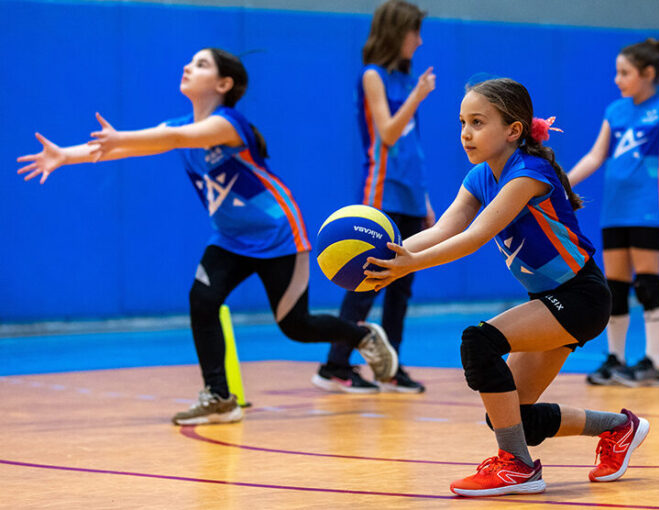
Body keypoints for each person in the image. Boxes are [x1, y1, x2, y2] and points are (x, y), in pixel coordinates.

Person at [16, 48, 398, 425]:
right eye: (189, 61)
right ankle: (218, 397)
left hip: (279, 234)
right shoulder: (181, 127)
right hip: (230, 238)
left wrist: (123, 137)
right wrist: (65, 155)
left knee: (295, 326)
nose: (187, 67)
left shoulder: (227, 124)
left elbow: (172, 138)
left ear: (223, 84)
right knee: (202, 300)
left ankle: (361, 336)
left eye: (200, 64)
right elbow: (129, 148)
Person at [364, 78, 649, 497]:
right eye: (462, 122)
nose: (466, 132)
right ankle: (619, 428)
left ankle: (517, 467)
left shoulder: (528, 174)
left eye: (478, 122)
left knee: (479, 342)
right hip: (551, 299)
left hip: (580, 297)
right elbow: (444, 229)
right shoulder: (481, 176)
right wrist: (391, 254)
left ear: (514, 130)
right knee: (510, 414)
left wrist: (410, 265)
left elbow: (475, 236)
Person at [567, 38, 659, 387]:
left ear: (648, 73)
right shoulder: (615, 111)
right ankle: (615, 358)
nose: (617, 79)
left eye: (625, 73)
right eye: (617, 72)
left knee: (647, 283)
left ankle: (653, 361)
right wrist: (562, 182)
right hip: (614, 210)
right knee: (615, 286)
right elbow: (596, 155)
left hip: (647, 208)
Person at [312, 0, 435, 395]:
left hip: (411, 196)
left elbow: (413, 147)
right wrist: (418, 97)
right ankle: (335, 365)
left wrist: (425, 201)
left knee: (401, 287)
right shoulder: (373, 76)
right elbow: (388, 133)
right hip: (382, 192)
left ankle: (390, 367)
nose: (419, 41)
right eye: (414, 32)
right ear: (397, 32)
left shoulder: (406, 80)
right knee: (365, 284)